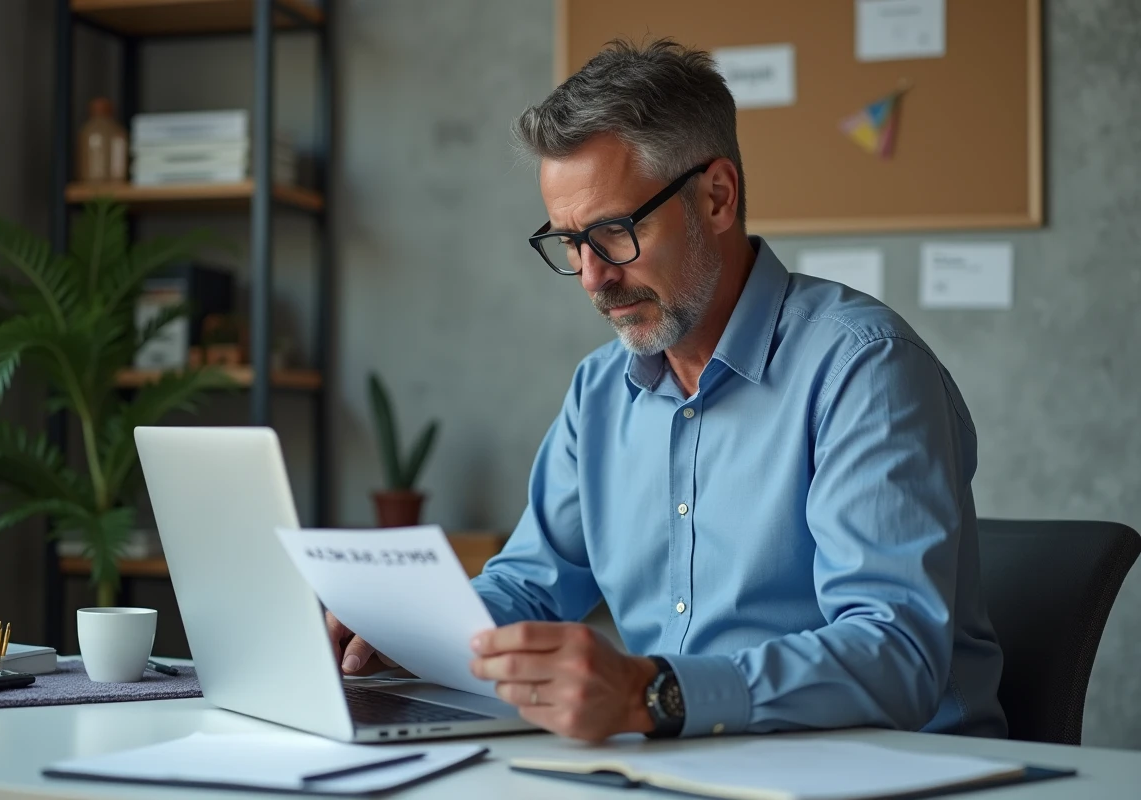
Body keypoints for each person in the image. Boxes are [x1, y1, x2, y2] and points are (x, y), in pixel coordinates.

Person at [328, 38, 1007, 743]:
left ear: (717, 198)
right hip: (683, 762)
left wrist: (653, 694)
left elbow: (896, 655)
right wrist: (406, 629)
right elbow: (530, 585)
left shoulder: (864, 369)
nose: (593, 276)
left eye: (614, 231)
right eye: (569, 242)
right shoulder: (599, 391)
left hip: (896, 770)